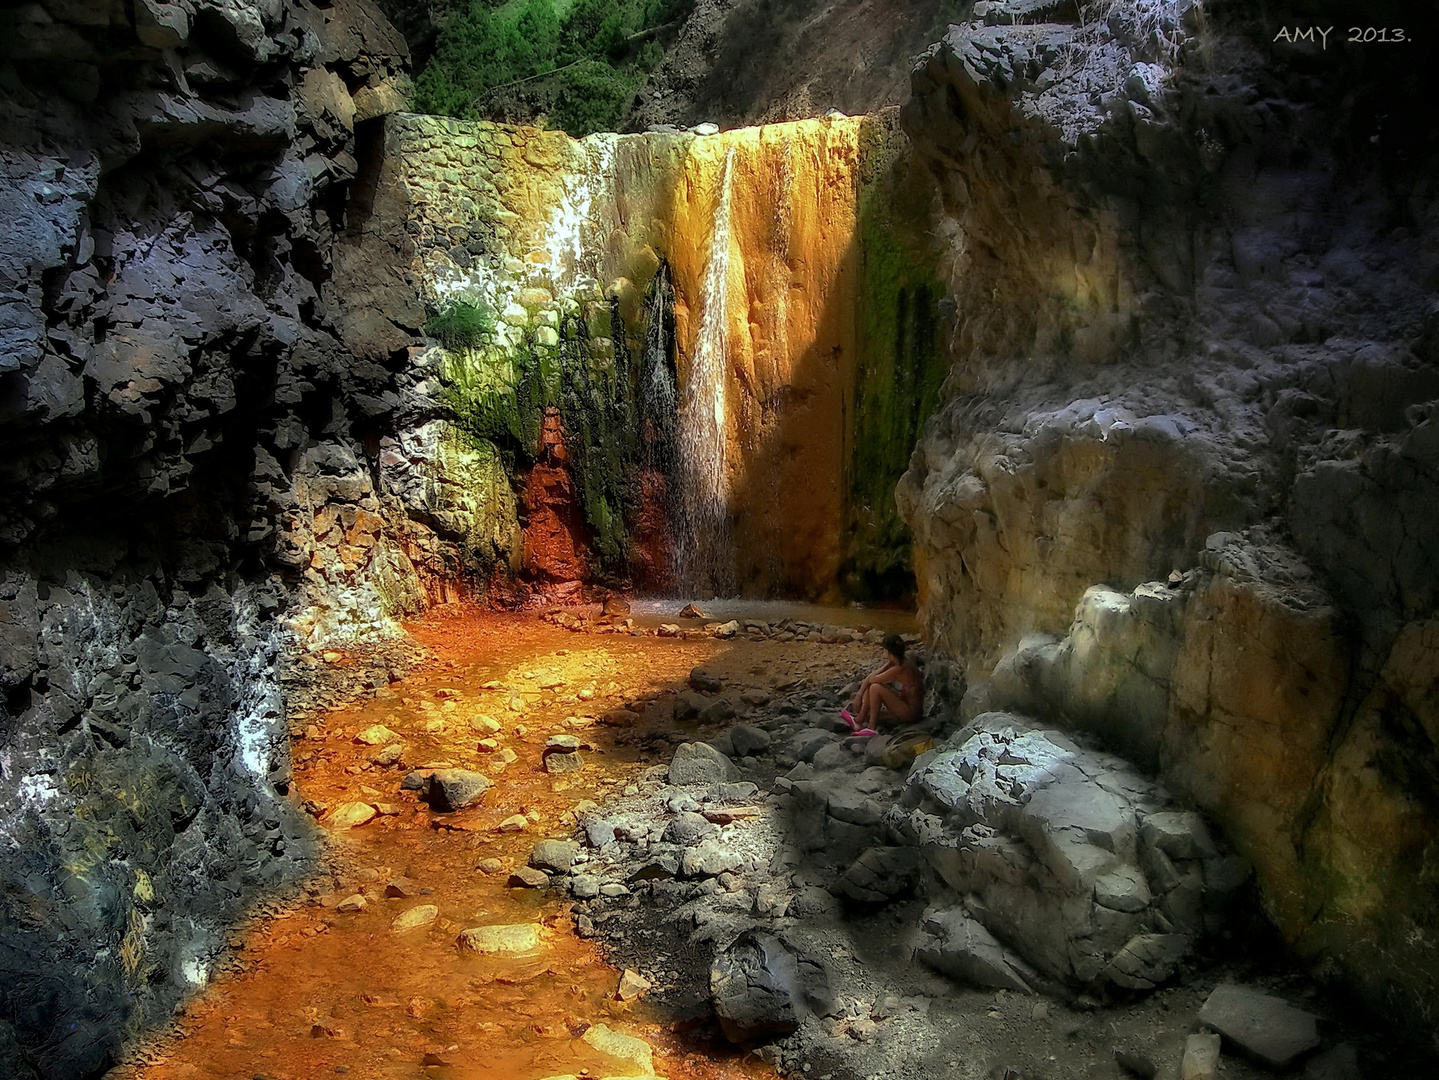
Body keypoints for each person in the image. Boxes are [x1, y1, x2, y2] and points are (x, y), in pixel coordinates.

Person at [841, 633, 922, 736]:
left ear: (887, 651)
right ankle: (859, 720)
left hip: (911, 713)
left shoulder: (899, 668)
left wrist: (886, 665)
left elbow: (872, 679)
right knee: (873, 686)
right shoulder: (900, 663)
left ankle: (871, 727)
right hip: (905, 704)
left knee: (875, 687)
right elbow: (871, 678)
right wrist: (859, 694)